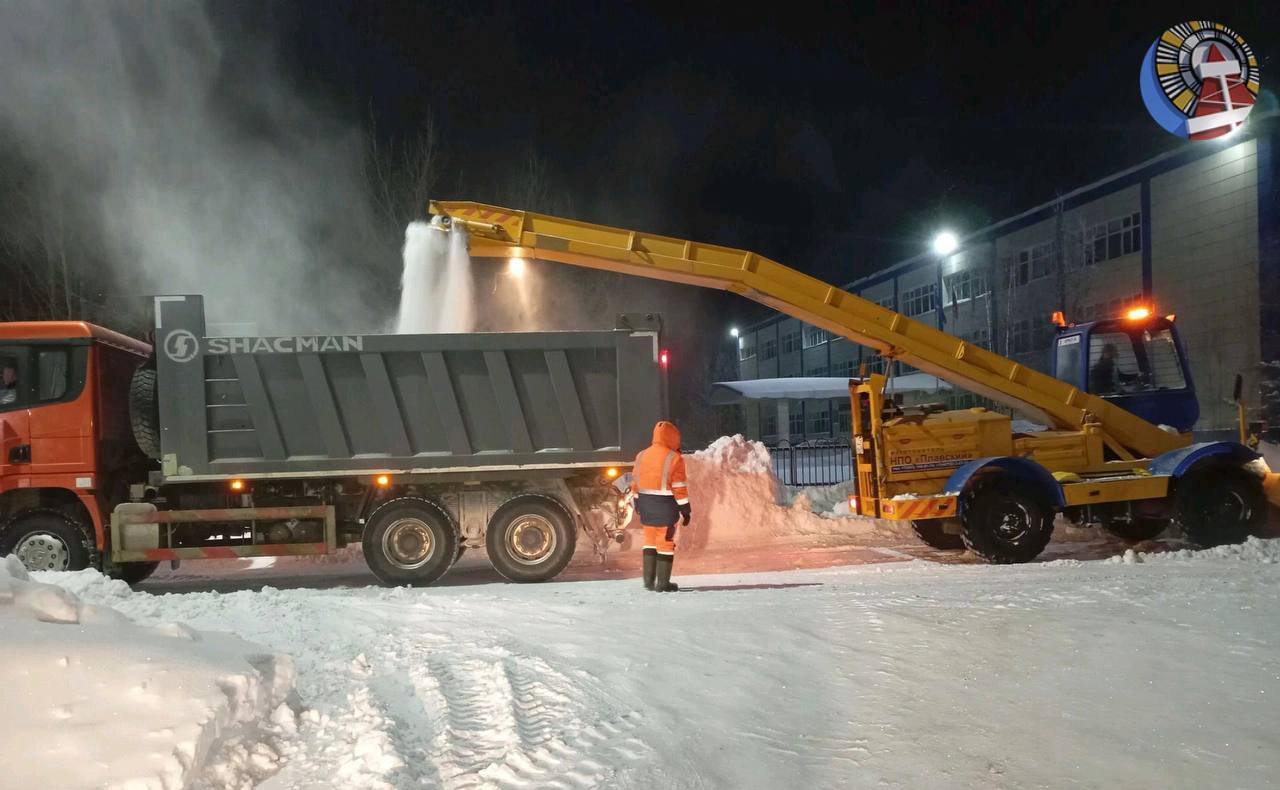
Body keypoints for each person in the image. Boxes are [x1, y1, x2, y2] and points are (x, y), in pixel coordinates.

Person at [630, 420, 691, 592]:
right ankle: (663, 583)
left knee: (649, 541)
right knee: (665, 543)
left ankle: (648, 582)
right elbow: (679, 487)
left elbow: (635, 481)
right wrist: (685, 509)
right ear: (673, 437)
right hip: (665, 506)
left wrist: (637, 501)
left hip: (645, 504)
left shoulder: (641, 455)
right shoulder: (675, 458)